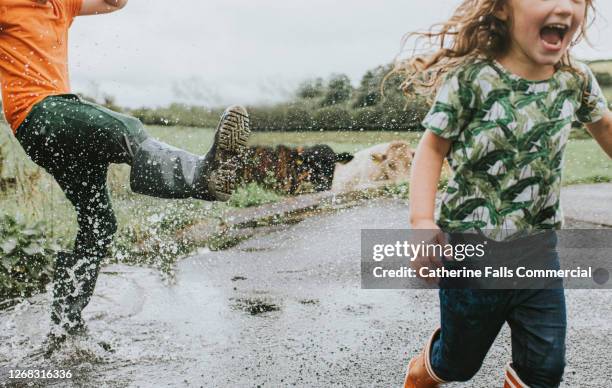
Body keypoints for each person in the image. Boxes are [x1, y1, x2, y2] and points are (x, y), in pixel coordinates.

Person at [0, 0, 251, 353]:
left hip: (57, 132)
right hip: (39, 114)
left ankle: (65, 327)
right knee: (126, 129)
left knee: (99, 221)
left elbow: (113, 3)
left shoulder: (62, 4)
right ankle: (201, 176)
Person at [397, 0, 612, 387]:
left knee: (545, 367)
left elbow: (607, 129)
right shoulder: (473, 78)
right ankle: (422, 371)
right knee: (459, 363)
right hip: (471, 249)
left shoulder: (575, 79)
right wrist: (422, 222)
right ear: (501, 9)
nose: (565, 6)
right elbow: (432, 148)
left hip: (538, 248)